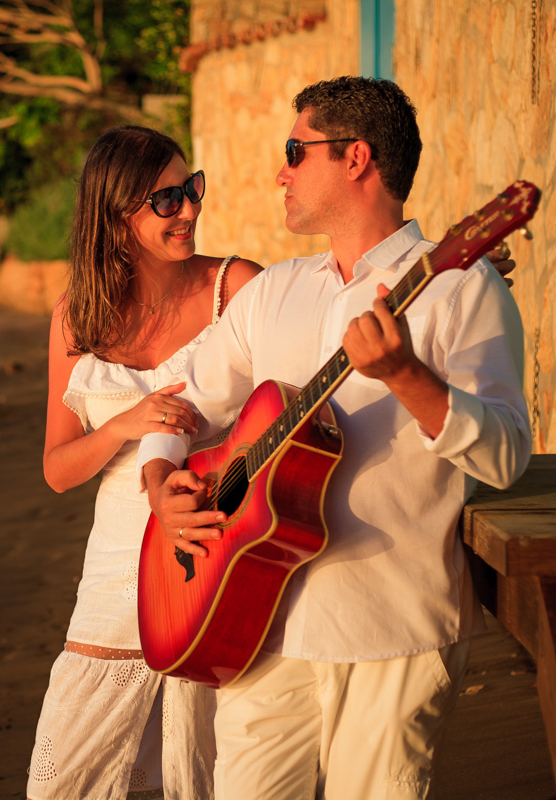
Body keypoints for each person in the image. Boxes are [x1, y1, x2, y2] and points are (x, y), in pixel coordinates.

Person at [137, 77, 531, 799]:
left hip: (393, 630)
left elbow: (506, 455)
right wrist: (163, 485)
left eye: (296, 150)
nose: (279, 171)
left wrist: (408, 375)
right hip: (256, 624)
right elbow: (184, 403)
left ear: (356, 158)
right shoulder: (275, 292)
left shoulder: (461, 289)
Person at [26, 125, 262, 800]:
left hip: (217, 553)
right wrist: (125, 426)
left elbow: (311, 369)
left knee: (211, 772)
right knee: (64, 782)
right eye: (166, 199)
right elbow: (58, 468)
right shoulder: (78, 318)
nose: (189, 209)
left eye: (192, 189)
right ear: (116, 215)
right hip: (116, 571)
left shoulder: (236, 288)